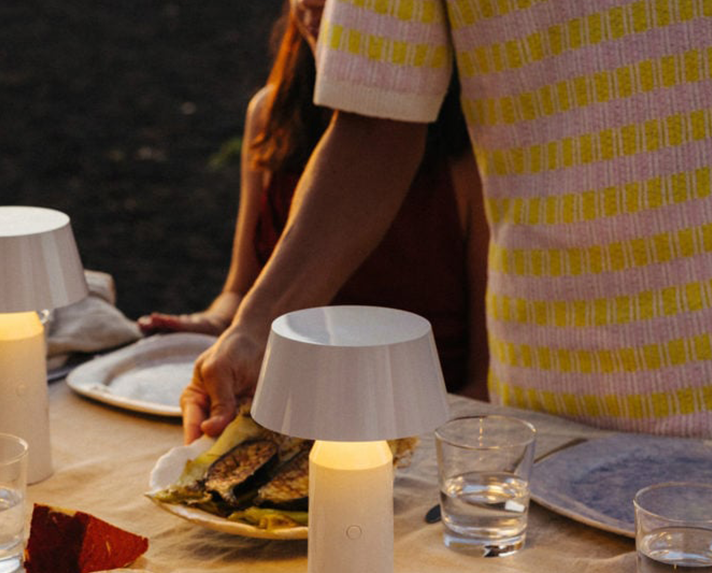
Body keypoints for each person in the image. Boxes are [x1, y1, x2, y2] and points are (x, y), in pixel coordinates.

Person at [181, 0, 712, 443]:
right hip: (557, 411)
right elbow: (376, 123)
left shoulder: (455, 168)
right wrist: (252, 330)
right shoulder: (271, 115)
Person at [140, 0, 489, 400]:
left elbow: (486, 377)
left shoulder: (470, 155)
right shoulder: (272, 116)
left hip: (425, 417)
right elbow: (242, 290)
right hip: (284, 409)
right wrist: (212, 327)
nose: (309, 3)